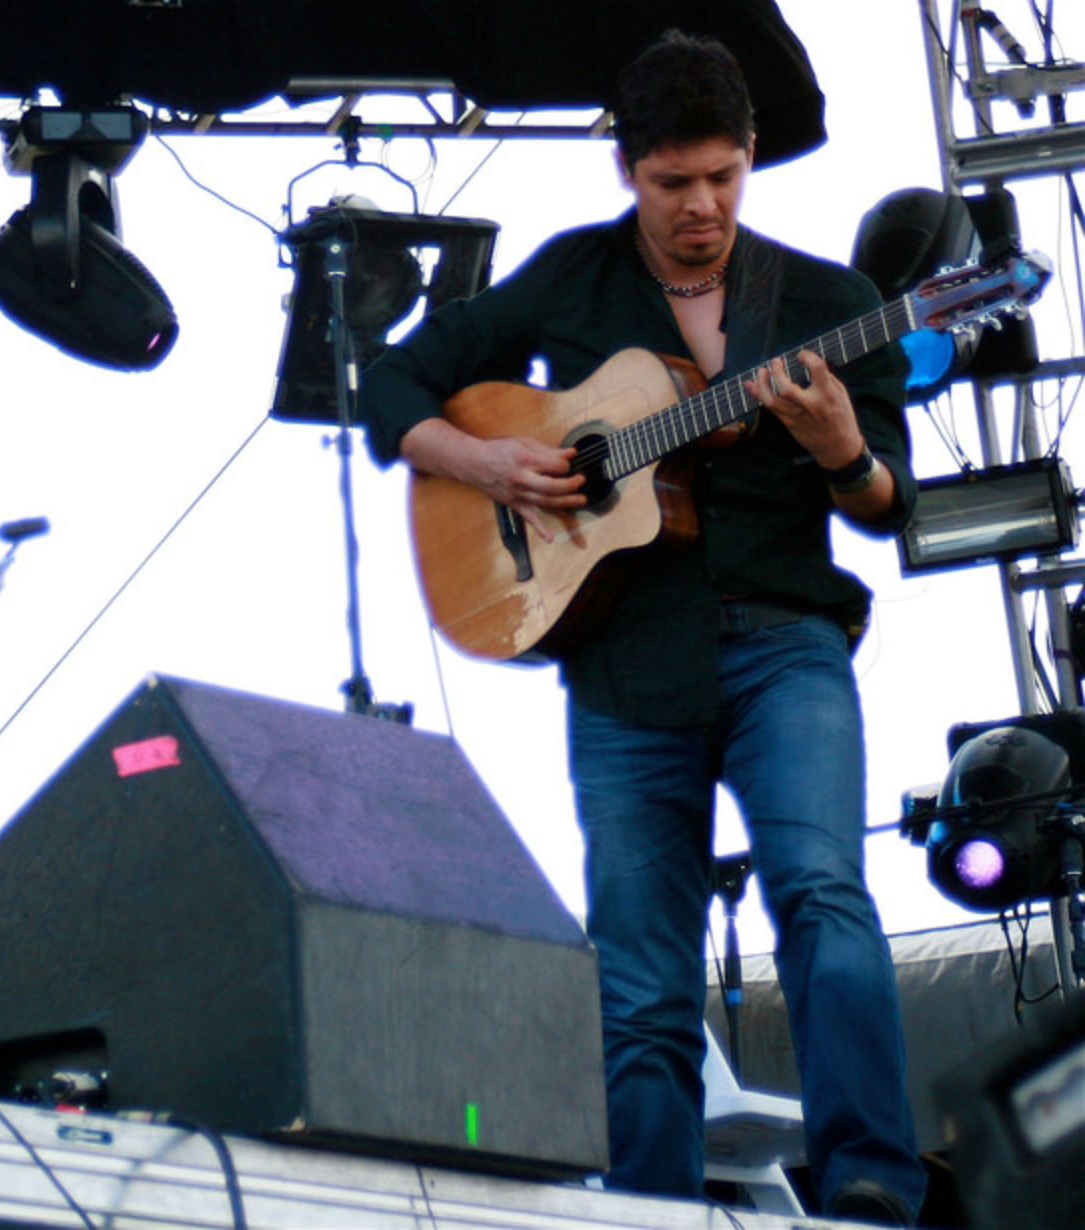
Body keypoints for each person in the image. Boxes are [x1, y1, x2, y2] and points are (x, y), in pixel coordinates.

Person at [359, 31, 927, 1227]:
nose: (701, 207)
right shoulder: (570, 279)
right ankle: (647, 1209)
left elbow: (890, 505)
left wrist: (840, 454)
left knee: (823, 889)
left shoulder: (827, 303)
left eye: (721, 176)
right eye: (673, 183)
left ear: (749, 157)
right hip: (622, 662)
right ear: (626, 170)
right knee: (635, 969)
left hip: (784, 643)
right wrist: (488, 461)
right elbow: (392, 383)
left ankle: (872, 1176)